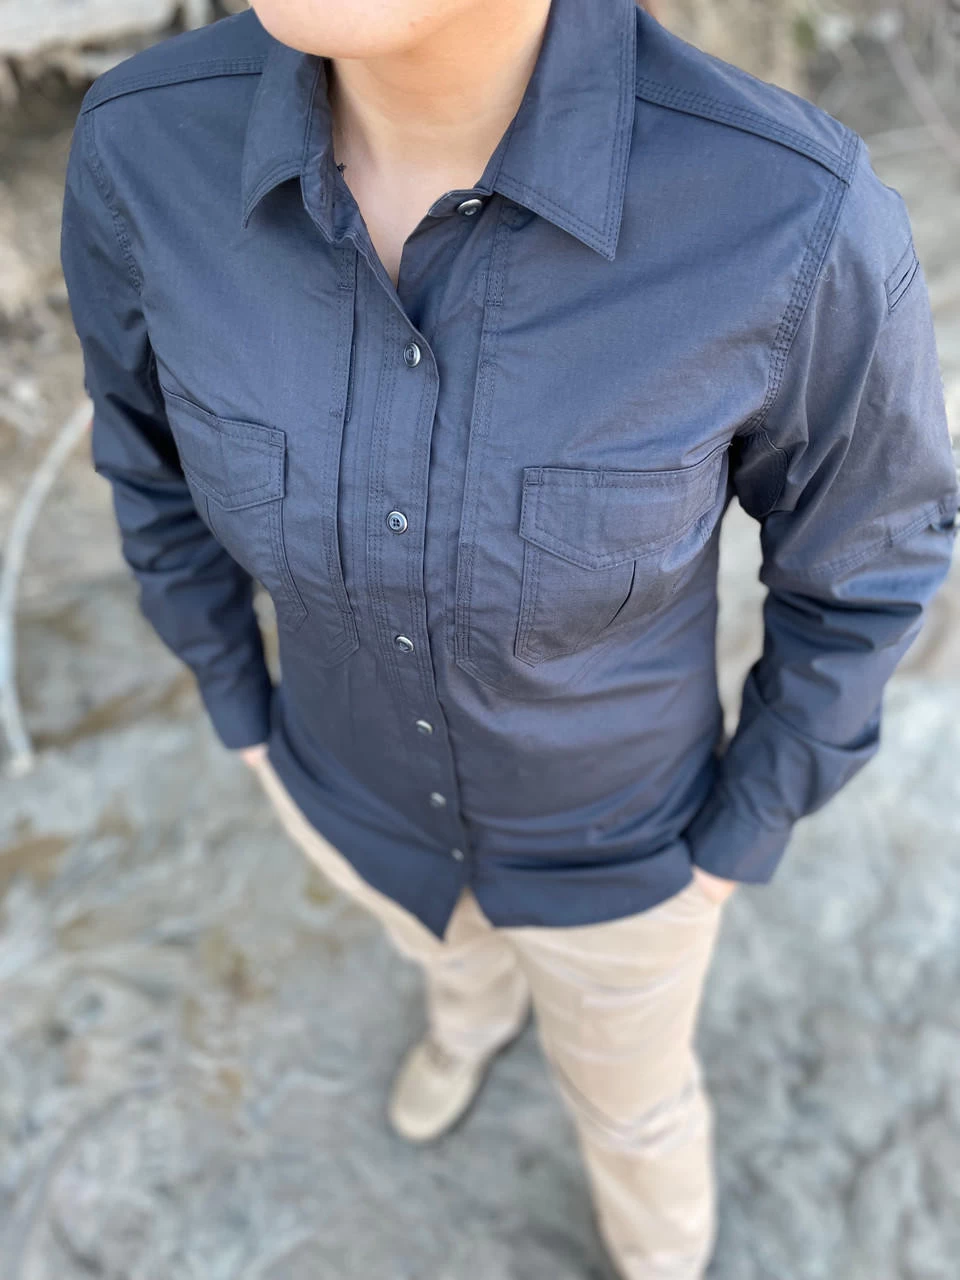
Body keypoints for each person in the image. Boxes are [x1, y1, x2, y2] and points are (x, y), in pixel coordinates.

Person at [58, 0, 958, 1275]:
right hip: (346, 792)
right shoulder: (145, 148)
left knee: (634, 1106)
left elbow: (868, 566)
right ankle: (468, 1020)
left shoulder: (788, 210)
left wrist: (735, 837)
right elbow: (146, 463)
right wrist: (242, 714)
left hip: (627, 853)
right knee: (446, 955)